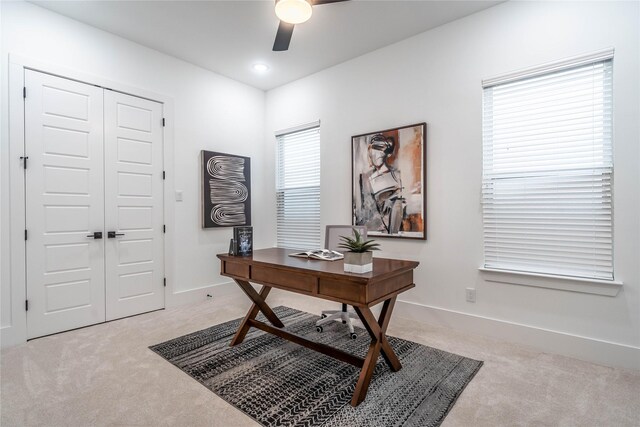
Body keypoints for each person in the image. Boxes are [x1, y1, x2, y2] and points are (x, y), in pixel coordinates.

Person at [357, 134, 404, 234]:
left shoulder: (395, 177)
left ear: (387, 153)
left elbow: (397, 211)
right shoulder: (364, 178)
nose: (375, 154)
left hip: (385, 233)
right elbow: (361, 211)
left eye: (380, 149)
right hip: (366, 233)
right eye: (373, 149)